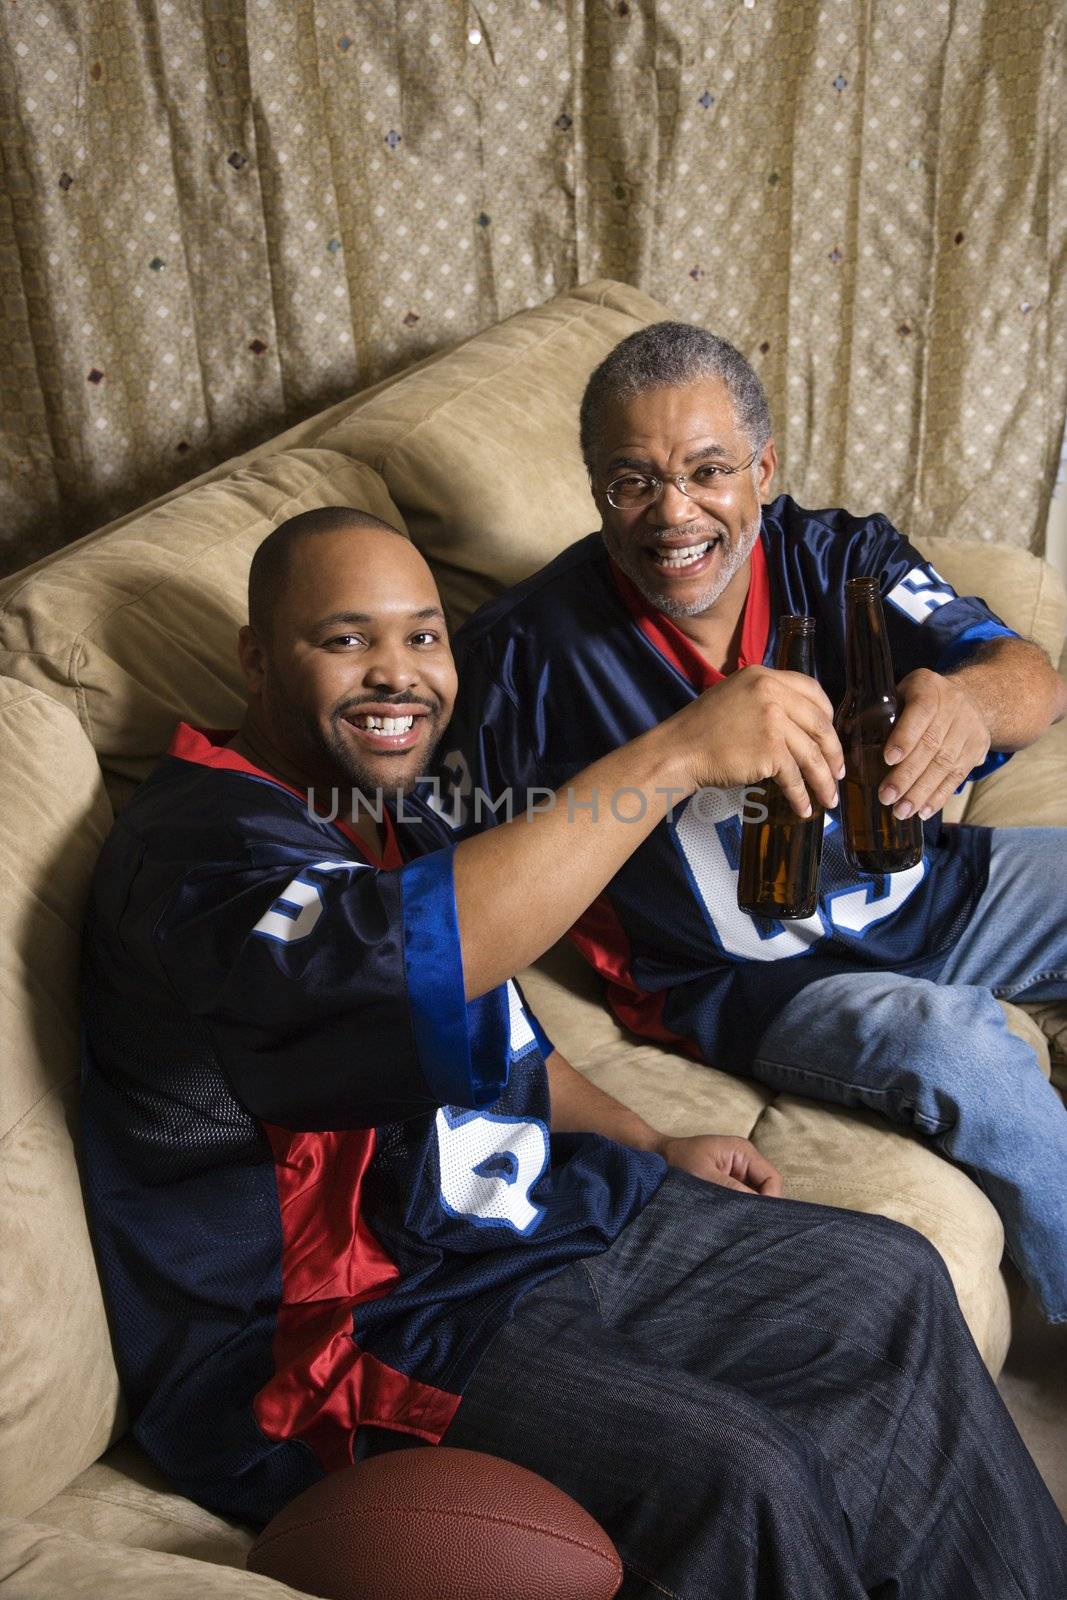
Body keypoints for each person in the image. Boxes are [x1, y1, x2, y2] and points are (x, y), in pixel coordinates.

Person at [79, 507, 1067, 1599]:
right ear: (256, 659)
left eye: (421, 637)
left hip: (521, 1220)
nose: (397, 676)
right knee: (740, 1470)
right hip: (339, 1332)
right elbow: (406, 957)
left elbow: (498, 1032)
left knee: (890, 1279)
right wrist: (678, 748)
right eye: (346, 640)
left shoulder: (374, 798)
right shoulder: (195, 850)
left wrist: (645, 1137)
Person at [441, 320, 1067, 1327]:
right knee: (959, 1051)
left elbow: (1030, 680)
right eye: (631, 481)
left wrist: (969, 705)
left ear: (762, 470)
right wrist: (675, 751)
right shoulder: (521, 656)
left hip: (928, 884)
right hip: (746, 979)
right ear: (594, 487)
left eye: (706, 471)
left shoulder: (841, 560)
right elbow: (456, 897)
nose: (672, 514)